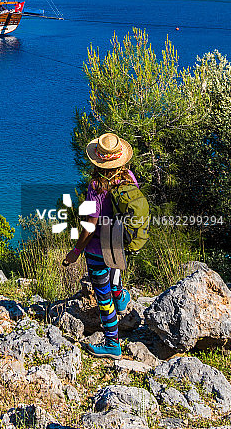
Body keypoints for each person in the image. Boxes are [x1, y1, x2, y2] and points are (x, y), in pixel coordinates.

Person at [63, 132, 137, 360]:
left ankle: (112, 344)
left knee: (103, 297)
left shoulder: (96, 186)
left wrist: (76, 251)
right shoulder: (129, 178)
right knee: (114, 278)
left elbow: (91, 225)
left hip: (97, 249)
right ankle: (122, 297)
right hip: (118, 243)